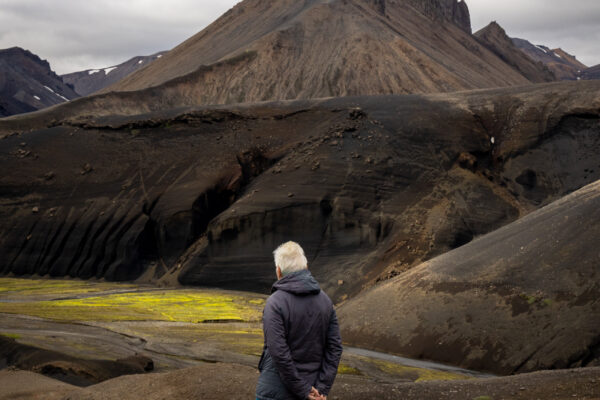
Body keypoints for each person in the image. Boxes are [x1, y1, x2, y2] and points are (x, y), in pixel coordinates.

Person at [255, 241, 343, 400]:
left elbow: (279, 353)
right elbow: (335, 348)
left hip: (275, 392)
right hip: (314, 388)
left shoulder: (275, 303)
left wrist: (304, 390)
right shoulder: (325, 301)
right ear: (306, 267)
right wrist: (320, 389)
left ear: (279, 271)